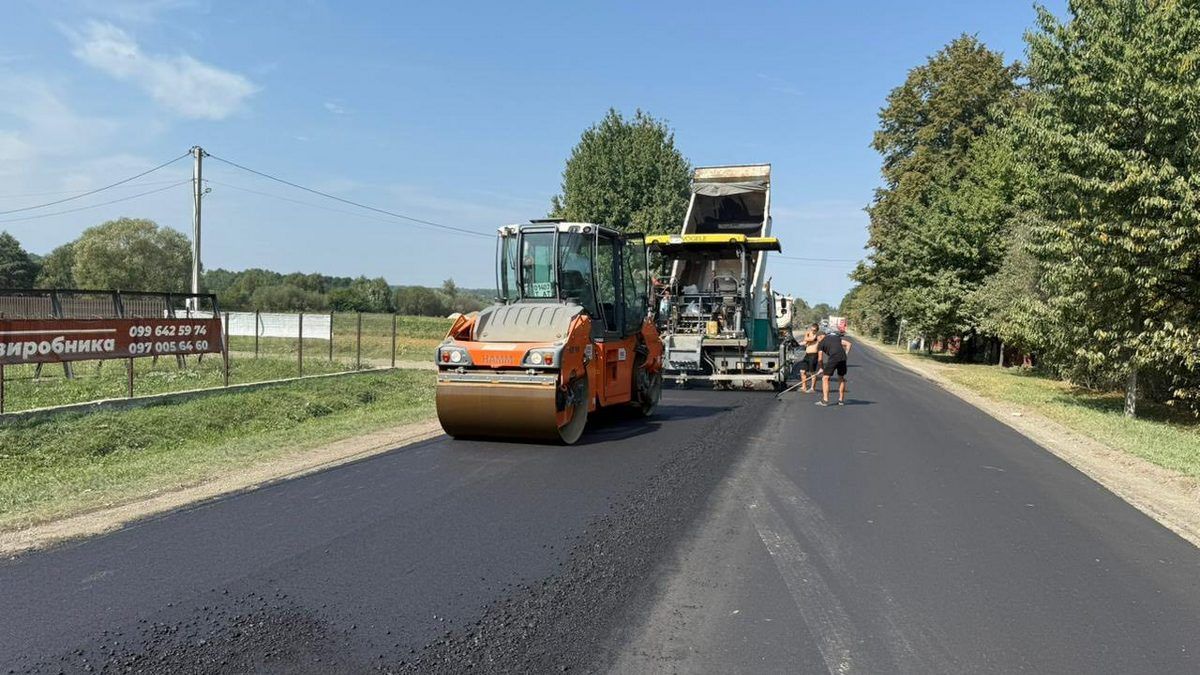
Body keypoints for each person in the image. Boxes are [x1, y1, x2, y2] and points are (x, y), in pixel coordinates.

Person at [815, 329, 853, 406]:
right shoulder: (835, 337)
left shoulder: (821, 343)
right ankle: (841, 400)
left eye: (817, 338)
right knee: (841, 378)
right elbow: (848, 344)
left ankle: (825, 401)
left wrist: (821, 368)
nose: (817, 340)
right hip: (843, 358)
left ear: (820, 336)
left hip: (834, 357)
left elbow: (820, 358)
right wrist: (845, 354)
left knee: (825, 378)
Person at [801, 323, 820, 392]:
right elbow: (805, 342)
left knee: (812, 372)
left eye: (814, 330)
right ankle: (804, 387)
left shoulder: (816, 336)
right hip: (807, 355)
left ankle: (812, 388)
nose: (812, 331)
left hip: (813, 355)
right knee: (802, 371)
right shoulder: (810, 334)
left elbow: (809, 339)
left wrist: (806, 334)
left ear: (817, 330)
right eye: (811, 330)